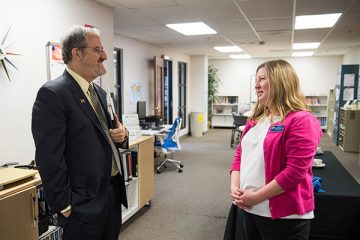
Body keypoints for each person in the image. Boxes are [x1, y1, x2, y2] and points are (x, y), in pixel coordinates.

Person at [32, 25, 128, 240]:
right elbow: (49, 156)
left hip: (111, 194)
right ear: (76, 53)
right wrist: (64, 205)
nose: (104, 56)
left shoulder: (100, 93)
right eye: (97, 50)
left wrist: (123, 134)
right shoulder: (53, 94)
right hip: (82, 204)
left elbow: (109, 135)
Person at [230, 59, 322, 240]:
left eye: (262, 79)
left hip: (284, 217)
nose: (256, 85)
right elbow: (240, 155)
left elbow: (294, 172)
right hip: (249, 208)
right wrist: (235, 188)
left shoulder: (301, 120)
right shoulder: (257, 118)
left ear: (281, 82)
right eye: (256, 80)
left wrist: (255, 197)